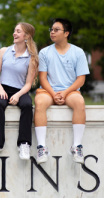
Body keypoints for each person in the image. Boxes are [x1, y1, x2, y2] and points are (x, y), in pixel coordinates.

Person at [34, 18, 90, 164]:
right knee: (39, 102)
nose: (52, 32)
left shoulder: (78, 52)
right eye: (51, 30)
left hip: (70, 91)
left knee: (79, 102)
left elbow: (80, 80)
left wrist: (64, 93)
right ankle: (41, 147)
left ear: (66, 33)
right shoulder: (44, 52)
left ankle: (76, 146)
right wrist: (54, 94)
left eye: (56, 30)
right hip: (49, 91)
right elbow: (43, 79)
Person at [0, 22, 39, 160]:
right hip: (2, 88)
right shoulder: (4, 51)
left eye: (18, 31)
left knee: (27, 105)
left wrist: (18, 94)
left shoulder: (31, 58)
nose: (14, 34)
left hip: (20, 90)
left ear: (27, 36)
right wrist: (0, 89)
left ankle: (24, 144)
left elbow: (28, 84)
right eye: (14, 30)